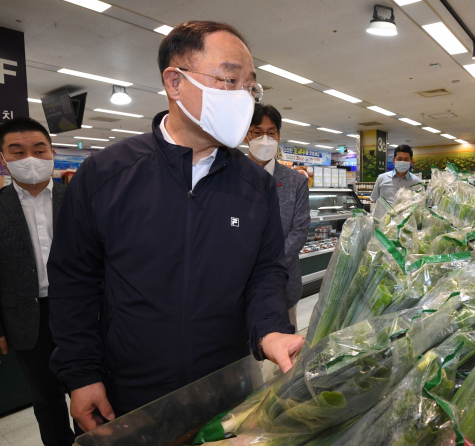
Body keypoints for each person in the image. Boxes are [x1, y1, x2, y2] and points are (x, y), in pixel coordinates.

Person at [47, 21, 304, 433]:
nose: (244, 98)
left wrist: (271, 330)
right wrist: (81, 374)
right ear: (175, 82)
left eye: (250, 87)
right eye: (229, 79)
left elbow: (266, 270)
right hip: (125, 392)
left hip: (223, 387)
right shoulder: (107, 174)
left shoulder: (255, 185)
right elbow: (73, 281)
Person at [0, 117, 75, 446]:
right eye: (17, 152)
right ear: (3, 158)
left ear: (52, 152)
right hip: (25, 318)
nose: (29, 158)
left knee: (91, 387)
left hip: (79, 312)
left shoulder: (76, 200)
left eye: (38, 149)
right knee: (46, 399)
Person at [244, 104, 310, 330]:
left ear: (278, 136)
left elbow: (299, 231)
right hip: (237, 285)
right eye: (257, 132)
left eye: (271, 133)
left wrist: (270, 267)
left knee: (282, 356)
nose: (265, 138)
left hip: (283, 284)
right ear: (246, 135)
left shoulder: (296, 181)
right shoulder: (229, 176)